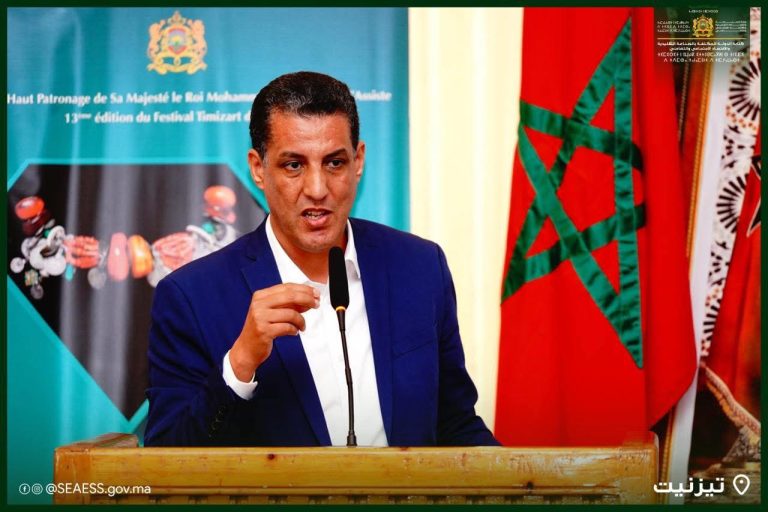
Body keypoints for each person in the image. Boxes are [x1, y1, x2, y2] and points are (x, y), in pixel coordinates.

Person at [145, 71, 498, 447]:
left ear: (358, 161)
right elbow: (168, 455)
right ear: (258, 169)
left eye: (334, 163)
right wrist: (240, 364)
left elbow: (456, 425)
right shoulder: (191, 296)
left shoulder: (420, 267)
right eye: (293, 165)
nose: (317, 189)